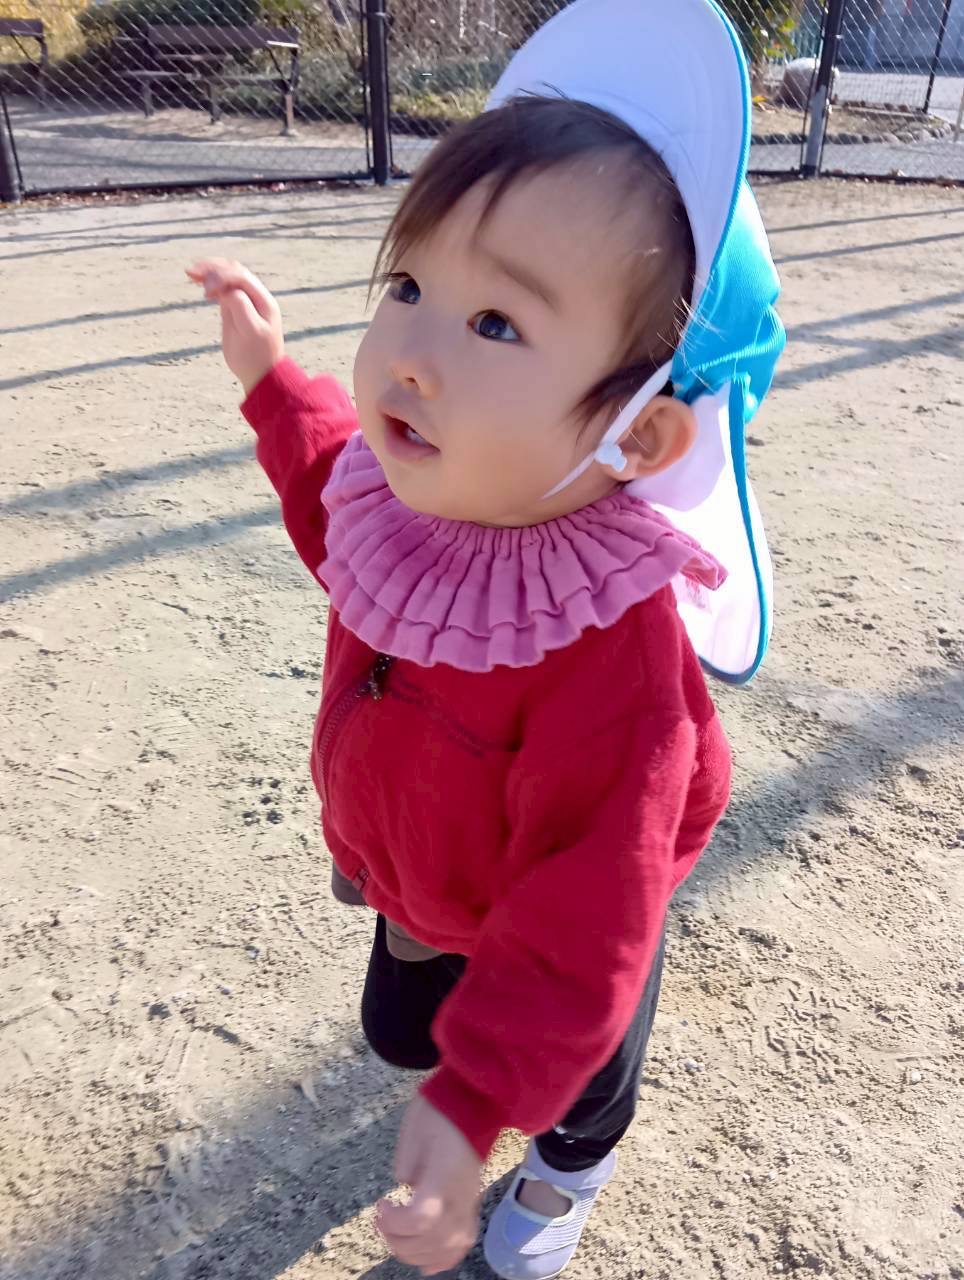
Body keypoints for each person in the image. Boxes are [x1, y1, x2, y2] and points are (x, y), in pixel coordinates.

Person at [187, 1, 784, 1275]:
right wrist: (268, 377)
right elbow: (325, 482)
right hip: (421, 853)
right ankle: (440, 977)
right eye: (409, 286)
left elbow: (583, 901)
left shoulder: (612, 654)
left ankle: (570, 1169)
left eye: (496, 323)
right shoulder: (406, 494)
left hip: (575, 886)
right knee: (404, 1029)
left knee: (570, 1057)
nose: (408, 352)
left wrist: (470, 1109)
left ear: (636, 433)